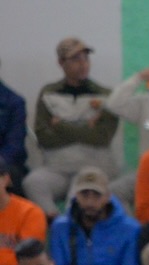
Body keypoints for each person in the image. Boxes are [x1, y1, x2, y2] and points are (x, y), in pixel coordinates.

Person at [26, 38, 122, 213]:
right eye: (76, 59)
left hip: (93, 166)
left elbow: (101, 137)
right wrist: (85, 129)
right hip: (57, 167)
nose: (83, 64)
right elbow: (43, 137)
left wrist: (61, 126)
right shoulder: (48, 93)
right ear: (61, 63)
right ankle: (57, 221)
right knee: (32, 183)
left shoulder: (106, 95)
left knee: (79, 195)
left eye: (86, 58)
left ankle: (72, 223)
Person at [49, 168, 139, 265]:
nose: (90, 202)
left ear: (108, 197)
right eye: (84, 194)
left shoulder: (130, 229)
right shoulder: (60, 227)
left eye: (96, 195)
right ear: (76, 196)